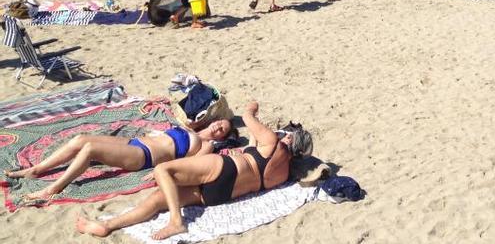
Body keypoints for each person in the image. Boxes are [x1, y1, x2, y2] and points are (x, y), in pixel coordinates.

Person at [75, 101, 312, 240]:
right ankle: (108, 226)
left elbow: (249, 117)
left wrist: (251, 108)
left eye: (287, 131)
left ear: (290, 138)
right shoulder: (282, 173)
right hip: (220, 195)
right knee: (159, 200)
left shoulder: (272, 139)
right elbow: (253, 152)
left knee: (163, 171)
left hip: (225, 169)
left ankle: (177, 222)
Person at [7, 118, 233, 201]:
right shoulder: (192, 127)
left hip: (143, 156)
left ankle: (53, 188)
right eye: (219, 122)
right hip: (136, 142)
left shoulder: (206, 145)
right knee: (80, 139)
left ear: (222, 136)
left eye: (223, 129)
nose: (218, 127)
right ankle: (37, 169)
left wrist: (161, 171)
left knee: (89, 150)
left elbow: (190, 165)